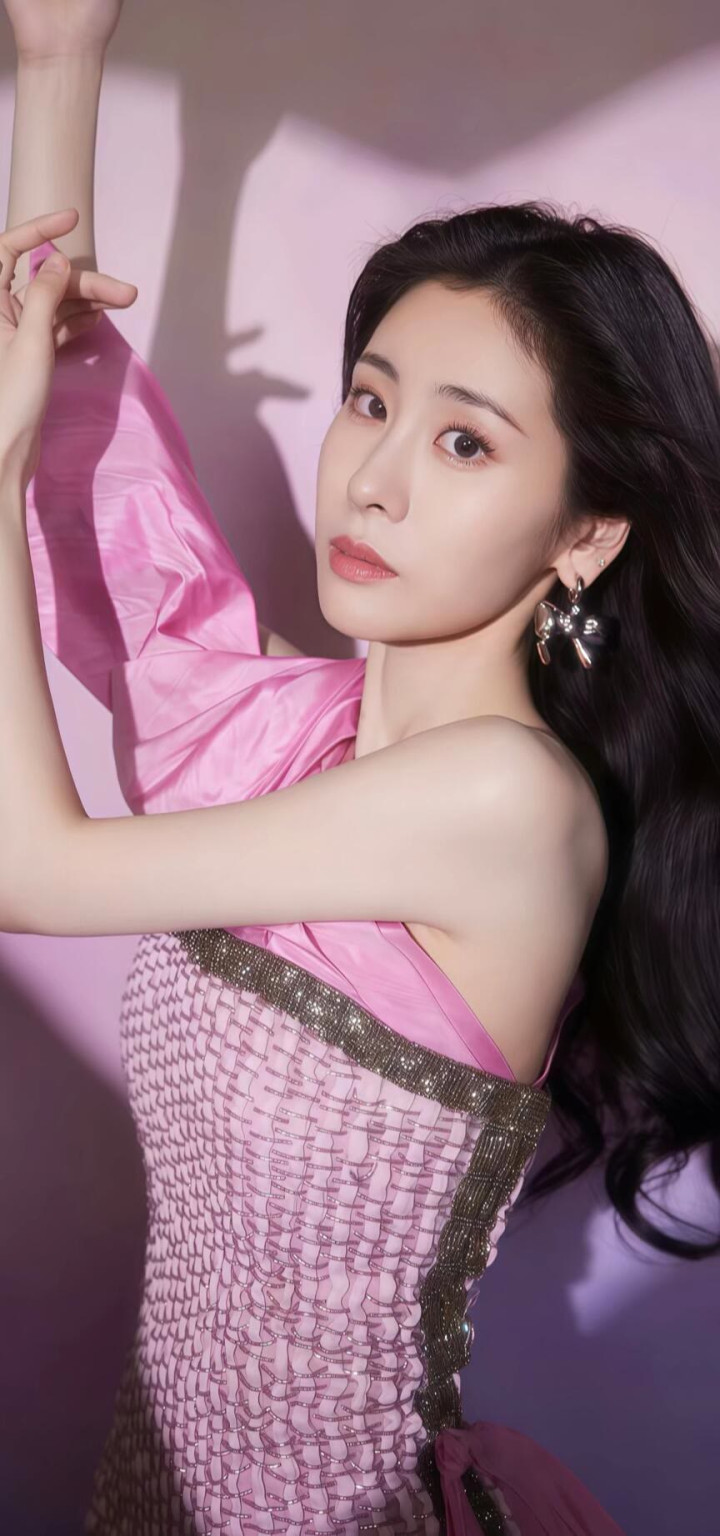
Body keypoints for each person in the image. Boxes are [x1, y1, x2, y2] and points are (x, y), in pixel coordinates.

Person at [1, 4, 718, 1535]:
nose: (373, 479)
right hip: (146, 1487)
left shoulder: (503, 802)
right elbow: (103, 498)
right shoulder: (297, 734)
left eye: (466, 445)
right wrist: (60, 67)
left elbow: (28, 868)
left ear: (588, 530)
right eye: (372, 401)